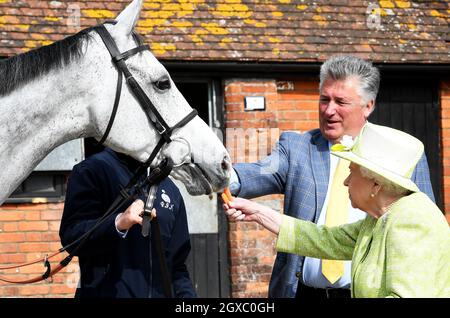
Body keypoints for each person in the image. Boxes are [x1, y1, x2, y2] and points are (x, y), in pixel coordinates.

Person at [230, 55, 435, 298]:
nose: (329, 110)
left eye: (341, 101)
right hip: (303, 293)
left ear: (368, 105)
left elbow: (422, 230)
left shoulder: (401, 155)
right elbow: (257, 172)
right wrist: (216, 170)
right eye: (324, 99)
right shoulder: (296, 147)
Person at [225, 123, 450, 298]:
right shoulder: (380, 218)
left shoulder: (412, 221)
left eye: (352, 172)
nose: (345, 181)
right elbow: (326, 239)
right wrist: (258, 212)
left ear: (376, 184)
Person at [59, 147, 197, 298]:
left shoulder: (170, 190)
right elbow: (72, 237)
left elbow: (177, 266)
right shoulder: (92, 170)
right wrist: (118, 223)